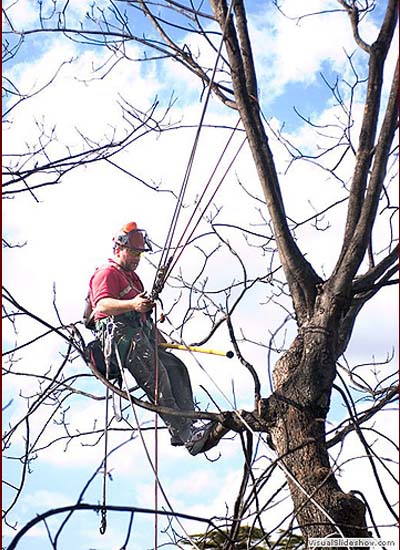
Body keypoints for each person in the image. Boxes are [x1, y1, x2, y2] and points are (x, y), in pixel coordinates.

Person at [88, 221, 229, 455]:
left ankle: (186, 426)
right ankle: (184, 432)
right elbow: (102, 304)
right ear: (118, 250)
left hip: (140, 335)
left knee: (176, 367)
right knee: (157, 375)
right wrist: (133, 303)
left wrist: (158, 336)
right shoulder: (107, 273)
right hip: (122, 338)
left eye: (139, 254)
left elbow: (142, 315)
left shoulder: (134, 280)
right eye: (132, 252)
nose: (136, 258)